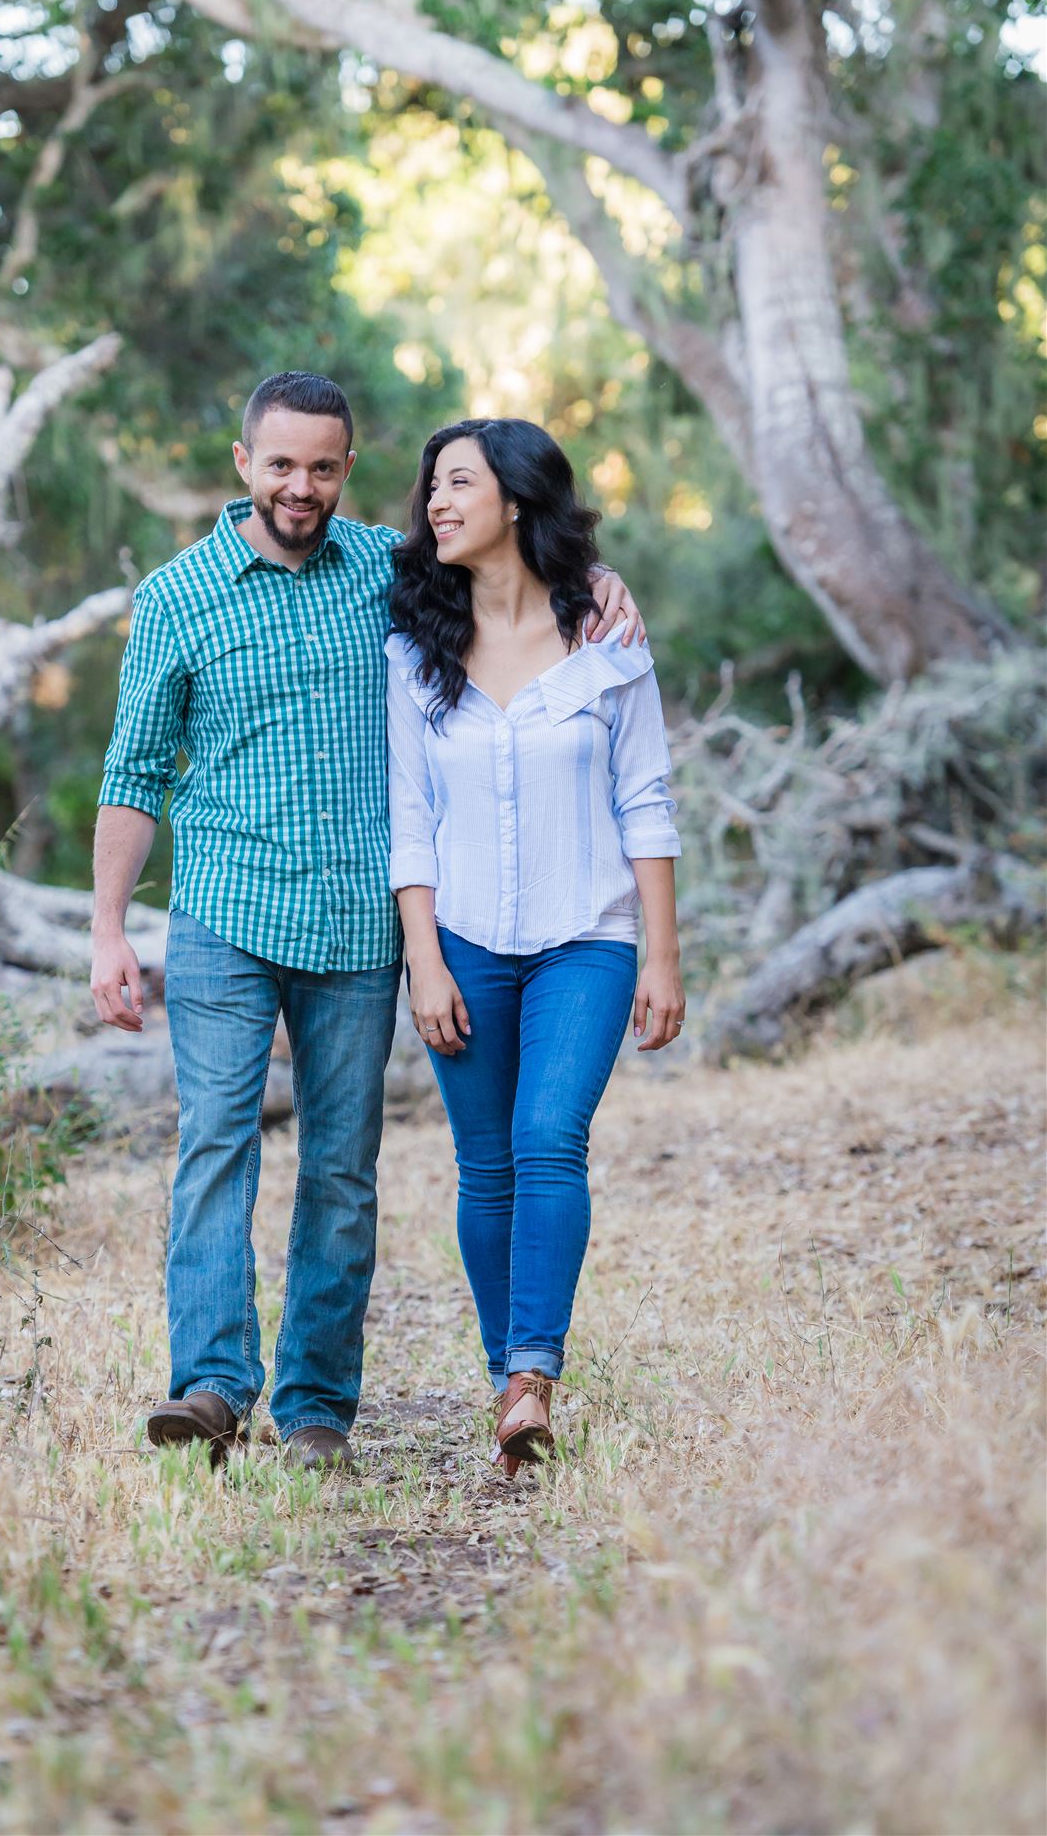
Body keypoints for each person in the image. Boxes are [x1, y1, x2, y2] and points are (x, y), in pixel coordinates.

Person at [91, 373, 643, 1471]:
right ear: (244, 462)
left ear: (348, 468)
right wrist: (110, 930)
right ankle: (209, 1386)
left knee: (342, 1171)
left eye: (326, 467)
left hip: (356, 928)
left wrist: (596, 575)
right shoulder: (178, 596)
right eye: (283, 464)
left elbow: (509, 562)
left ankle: (314, 1414)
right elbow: (134, 770)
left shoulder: (386, 577)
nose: (303, 486)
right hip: (224, 914)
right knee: (216, 1147)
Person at [385, 417, 685, 1477]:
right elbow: (408, 820)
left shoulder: (606, 642)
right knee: (485, 1166)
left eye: (458, 483)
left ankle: (531, 1378)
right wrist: (423, 957)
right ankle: (504, 1375)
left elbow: (645, 800)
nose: (436, 503)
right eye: (431, 487)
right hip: (462, 939)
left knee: (549, 1137)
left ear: (516, 500)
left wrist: (661, 954)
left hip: (589, 941)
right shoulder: (413, 649)